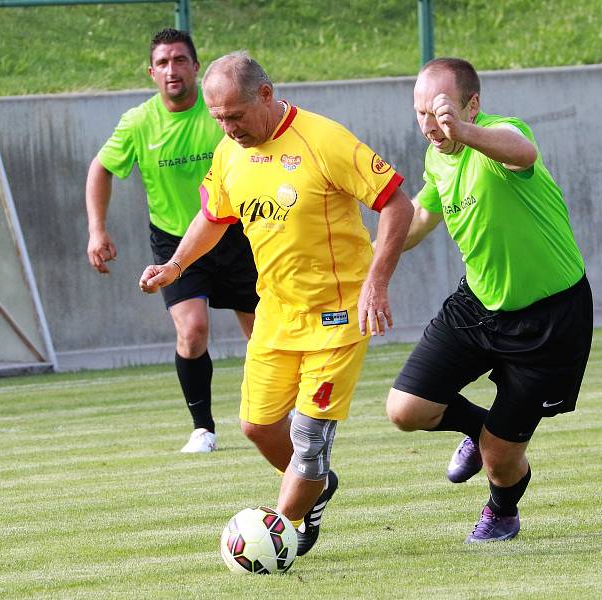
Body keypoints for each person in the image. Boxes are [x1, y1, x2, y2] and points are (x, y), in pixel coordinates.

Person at [139, 51, 414, 556]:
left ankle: (276, 536)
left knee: (308, 439)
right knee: (258, 426)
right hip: (275, 314)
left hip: (337, 316)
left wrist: (377, 280)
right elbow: (214, 216)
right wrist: (175, 266)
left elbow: (396, 202)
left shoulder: (324, 140)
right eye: (218, 118)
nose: (228, 127)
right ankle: (316, 485)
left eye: (235, 116)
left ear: (266, 95)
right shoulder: (228, 151)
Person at [385, 58, 593, 543]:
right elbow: (418, 217)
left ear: (472, 106)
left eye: (438, 113)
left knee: (503, 460)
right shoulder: (438, 157)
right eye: (419, 114)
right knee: (405, 410)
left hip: (551, 318)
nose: (429, 127)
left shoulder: (499, 134)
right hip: (477, 307)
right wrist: (371, 252)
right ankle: (480, 431)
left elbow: (522, 153)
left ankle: (502, 510)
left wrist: (461, 129)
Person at [85, 29, 258, 454]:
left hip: (237, 235)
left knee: (263, 335)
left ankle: (277, 413)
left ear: (196, 68)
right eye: (162, 63)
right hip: (176, 243)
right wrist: (96, 229)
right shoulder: (138, 122)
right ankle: (203, 428)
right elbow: (101, 168)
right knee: (193, 331)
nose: (171, 70)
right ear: (151, 72)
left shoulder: (222, 110)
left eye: (180, 60)